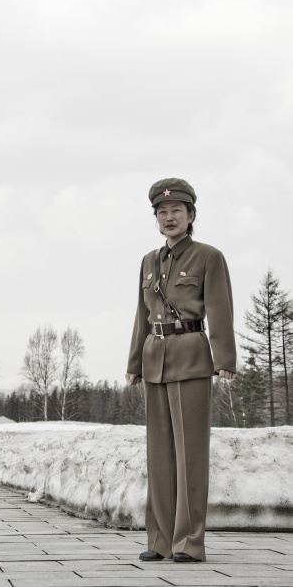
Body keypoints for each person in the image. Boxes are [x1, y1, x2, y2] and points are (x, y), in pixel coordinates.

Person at [125, 178, 236, 564]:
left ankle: (188, 542)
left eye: (177, 211)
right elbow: (142, 314)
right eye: (162, 212)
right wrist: (134, 363)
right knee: (159, 455)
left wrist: (224, 359)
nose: (169, 217)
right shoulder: (148, 261)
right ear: (155, 217)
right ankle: (158, 540)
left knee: (191, 454)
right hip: (154, 358)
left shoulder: (209, 256)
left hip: (191, 357)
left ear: (191, 215)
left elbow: (220, 308)